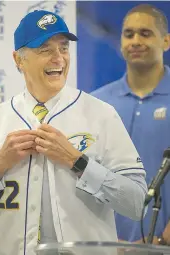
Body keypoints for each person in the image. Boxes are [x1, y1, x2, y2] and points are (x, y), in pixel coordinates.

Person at [0, 10, 148, 255]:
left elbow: (137, 203)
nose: (59, 58)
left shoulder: (101, 115)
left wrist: (77, 162)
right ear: (18, 59)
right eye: (45, 49)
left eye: (64, 48)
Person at [91, 4, 170, 246]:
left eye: (145, 33)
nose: (135, 41)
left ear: (166, 41)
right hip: (109, 247)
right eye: (129, 34)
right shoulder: (97, 103)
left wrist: (163, 240)